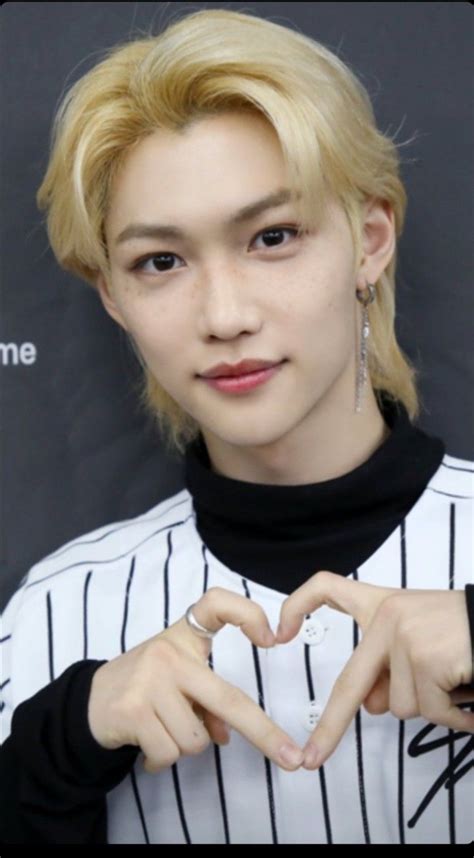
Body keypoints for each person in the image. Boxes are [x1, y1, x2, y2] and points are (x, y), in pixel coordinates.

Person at [1, 7, 473, 845]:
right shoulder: (53, 612)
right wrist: (58, 753)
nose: (223, 317)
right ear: (114, 296)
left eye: (273, 237)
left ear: (369, 242)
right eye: (160, 261)